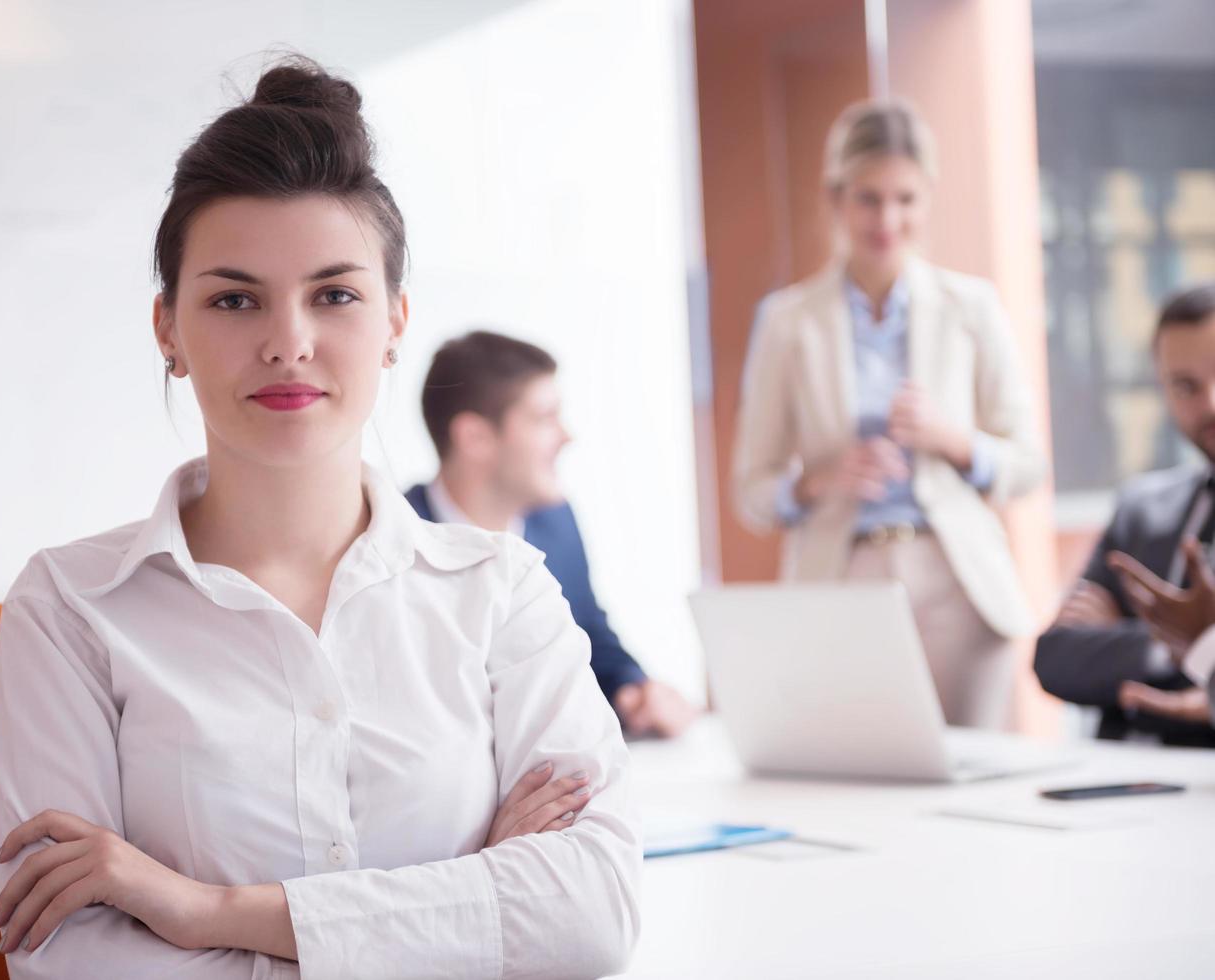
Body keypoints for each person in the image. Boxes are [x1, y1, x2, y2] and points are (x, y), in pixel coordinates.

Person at [0, 59, 640, 979]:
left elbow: (593, 916)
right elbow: (77, 965)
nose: (287, 340)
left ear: (394, 321)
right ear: (167, 328)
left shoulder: (502, 592)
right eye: (233, 298)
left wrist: (205, 910)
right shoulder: (69, 607)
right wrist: (471, 898)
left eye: (334, 294)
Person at [732, 100, 1045, 730]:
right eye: (868, 199)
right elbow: (751, 492)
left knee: (971, 778)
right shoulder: (788, 321)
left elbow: (1028, 463)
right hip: (840, 577)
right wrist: (817, 481)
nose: (888, 219)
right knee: (858, 779)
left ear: (927, 199)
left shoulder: (972, 307)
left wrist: (954, 441)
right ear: (836, 198)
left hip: (956, 577)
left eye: (906, 199)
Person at [405, 331, 698, 738]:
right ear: (475, 437)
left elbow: (589, 633)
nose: (567, 437)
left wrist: (634, 689)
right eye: (545, 418)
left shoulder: (555, 522)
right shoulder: (396, 539)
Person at [1035, 283, 1215, 740]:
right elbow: (1055, 659)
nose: (1209, 404)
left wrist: (1130, 636)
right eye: (1185, 386)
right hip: (1125, 775)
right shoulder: (1143, 509)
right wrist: (1180, 645)